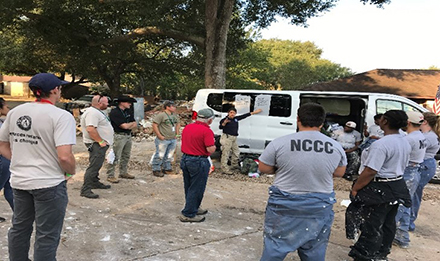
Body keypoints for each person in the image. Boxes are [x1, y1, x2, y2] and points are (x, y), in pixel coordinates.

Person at [0, 73, 76, 261]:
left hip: (19, 182)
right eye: (59, 88)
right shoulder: (61, 116)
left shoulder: (16, 112)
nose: (60, 91)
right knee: (47, 235)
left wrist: (20, 162)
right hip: (48, 183)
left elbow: (2, 145)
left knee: (19, 228)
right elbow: (65, 156)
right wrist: (70, 171)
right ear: (54, 90)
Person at [258, 103, 347, 261]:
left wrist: (281, 170)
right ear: (322, 123)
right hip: (319, 206)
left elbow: (264, 168)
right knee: (314, 249)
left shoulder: (280, 142)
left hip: (284, 205)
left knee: (275, 246)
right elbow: (340, 172)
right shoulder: (335, 146)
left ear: (298, 119)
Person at [348, 110, 411, 261]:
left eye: (382, 118)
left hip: (381, 187)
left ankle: (366, 256)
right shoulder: (404, 140)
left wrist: (356, 188)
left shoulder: (381, 144)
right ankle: (382, 253)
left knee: (372, 224)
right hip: (397, 184)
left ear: (385, 122)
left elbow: (370, 171)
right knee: (388, 222)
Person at [394, 111, 426, 248]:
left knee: (398, 205)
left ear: (408, 123)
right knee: (406, 204)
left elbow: (400, 156)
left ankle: (388, 234)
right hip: (415, 170)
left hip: (408, 171)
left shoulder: (409, 139)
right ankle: (402, 237)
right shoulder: (420, 136)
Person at [179, 108, 216, 223]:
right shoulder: (207, 131)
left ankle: (193, 207)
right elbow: (210, 148)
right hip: (198, 161)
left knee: (189, 186)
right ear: (209, 120)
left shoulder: (188, 127)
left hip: (185, 158)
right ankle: (189, 213)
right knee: (197, 187)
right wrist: (215, 147)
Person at [410, 112, 440, 231]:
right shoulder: (430, 135)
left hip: (424, 164)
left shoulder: (428, 136)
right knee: (415, 192)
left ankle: (409, 221)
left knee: (414, 193)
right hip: (427, 164)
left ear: (425, 122)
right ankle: (410, 220)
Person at [80, 95, 113, 199]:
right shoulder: (92, 113)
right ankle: (86, 189)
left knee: (97, 165)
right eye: (106, 102)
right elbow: (90, 129)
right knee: (94, 166)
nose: (108, 104)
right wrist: (100, 141)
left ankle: (94, 182)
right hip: (96, 144)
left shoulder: (96, 112)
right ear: (100, 103)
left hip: (98, 144)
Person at [219, 107, 262, 174]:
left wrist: (255, 112)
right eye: (231, 112)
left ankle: (234, 165)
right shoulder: (225, 120)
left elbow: (245, 115)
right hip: (227, 138)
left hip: (234, 138)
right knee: (226, 153)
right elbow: (221, 127)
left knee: (236, 152)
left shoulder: (236, 119)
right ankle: (224, 168)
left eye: (233, 113)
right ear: (228, 113)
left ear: (235, 113)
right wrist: (224, 123)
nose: (232, 114)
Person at [106, 95, 138, 183]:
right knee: (115, 155)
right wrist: (129, 125)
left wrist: (129, 125)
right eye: (128, 102)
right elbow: (123, 126)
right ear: (122, 103)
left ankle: (123, 172)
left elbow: (135, 123)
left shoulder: (128, 111)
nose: (130, 104)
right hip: (118, 135)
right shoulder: (115, 112)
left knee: (126, 155)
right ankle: (110, 174)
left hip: (127, 135)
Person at [152, 100, 180, 177]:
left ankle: (167, 168)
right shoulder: (161, 115)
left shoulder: (174, 115)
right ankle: (156, 169)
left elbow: (177, 124)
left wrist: (177, 134)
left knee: (169, 155)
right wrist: (159, 135)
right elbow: (155, 125)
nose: (175, 108)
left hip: (172, 138)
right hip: (163, 139)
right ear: (167, 107)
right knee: (160, 155)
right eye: (173, 106)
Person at [0, 98, 13, 223]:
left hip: (6, 160)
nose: (8, 109)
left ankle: (20, 214)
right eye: (6, 107)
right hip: (3, 160)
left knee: (10, 187)